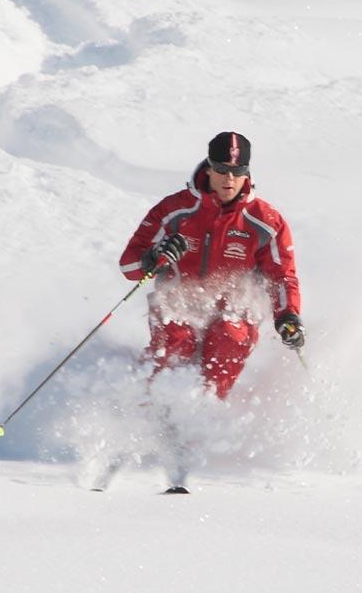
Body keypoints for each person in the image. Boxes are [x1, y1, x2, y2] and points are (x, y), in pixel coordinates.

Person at [119, 131, 305, 399]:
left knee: (230, 338)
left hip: (235, 308)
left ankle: (204, 416)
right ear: (209, 168)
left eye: (237, 170)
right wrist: (153, 258)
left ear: (247, 173)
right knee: (176, 339)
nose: (229, 178)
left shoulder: (266, 221)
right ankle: (152, 408)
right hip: (178, 302)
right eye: (221, 169)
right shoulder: (175, 210)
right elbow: (129, 267)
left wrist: (288, 316)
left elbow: (283, 277)